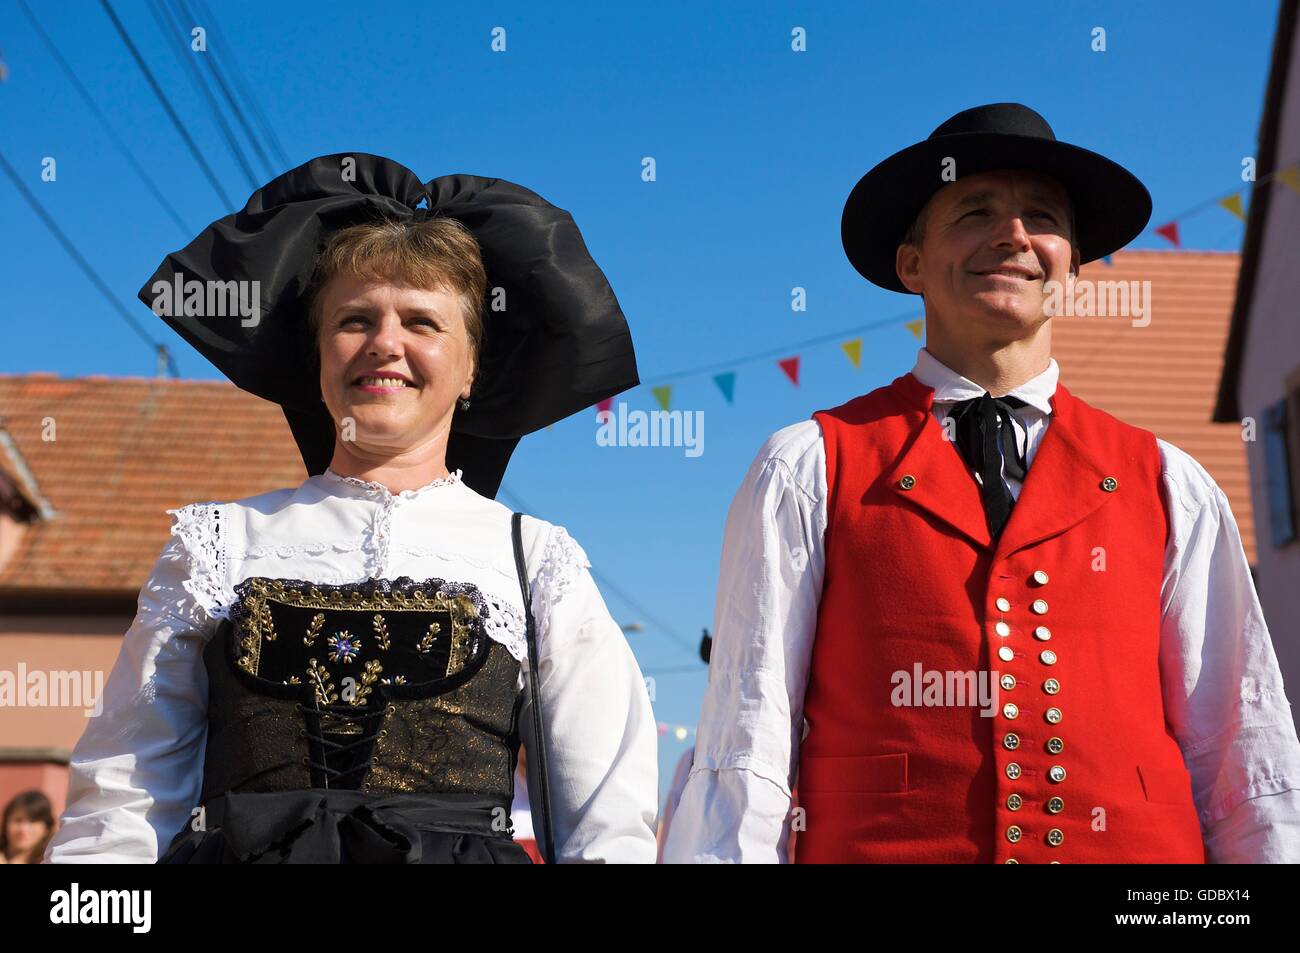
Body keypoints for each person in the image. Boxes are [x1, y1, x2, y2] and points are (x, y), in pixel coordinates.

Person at [664, 103, 1300, 863]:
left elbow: (1240, 753)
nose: (1015, 236)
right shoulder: (807, 467)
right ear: (912, 265)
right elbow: (748, 740)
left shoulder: (1171, 482)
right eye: (976, 212)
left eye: (1042, 216)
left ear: (1071, 266)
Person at [44, 153, 658, 864]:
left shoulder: (532, 559)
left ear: (470, 370)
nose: (385, 344)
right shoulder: (218, 544)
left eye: (422, 321)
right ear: (319, 356)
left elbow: (606, 824)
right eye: (355, 319)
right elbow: (123, 798)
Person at [1, 790, 54, 864]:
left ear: (46, 828)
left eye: (32, 821)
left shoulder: (53, 860)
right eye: (18, 820)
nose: (23, 829)